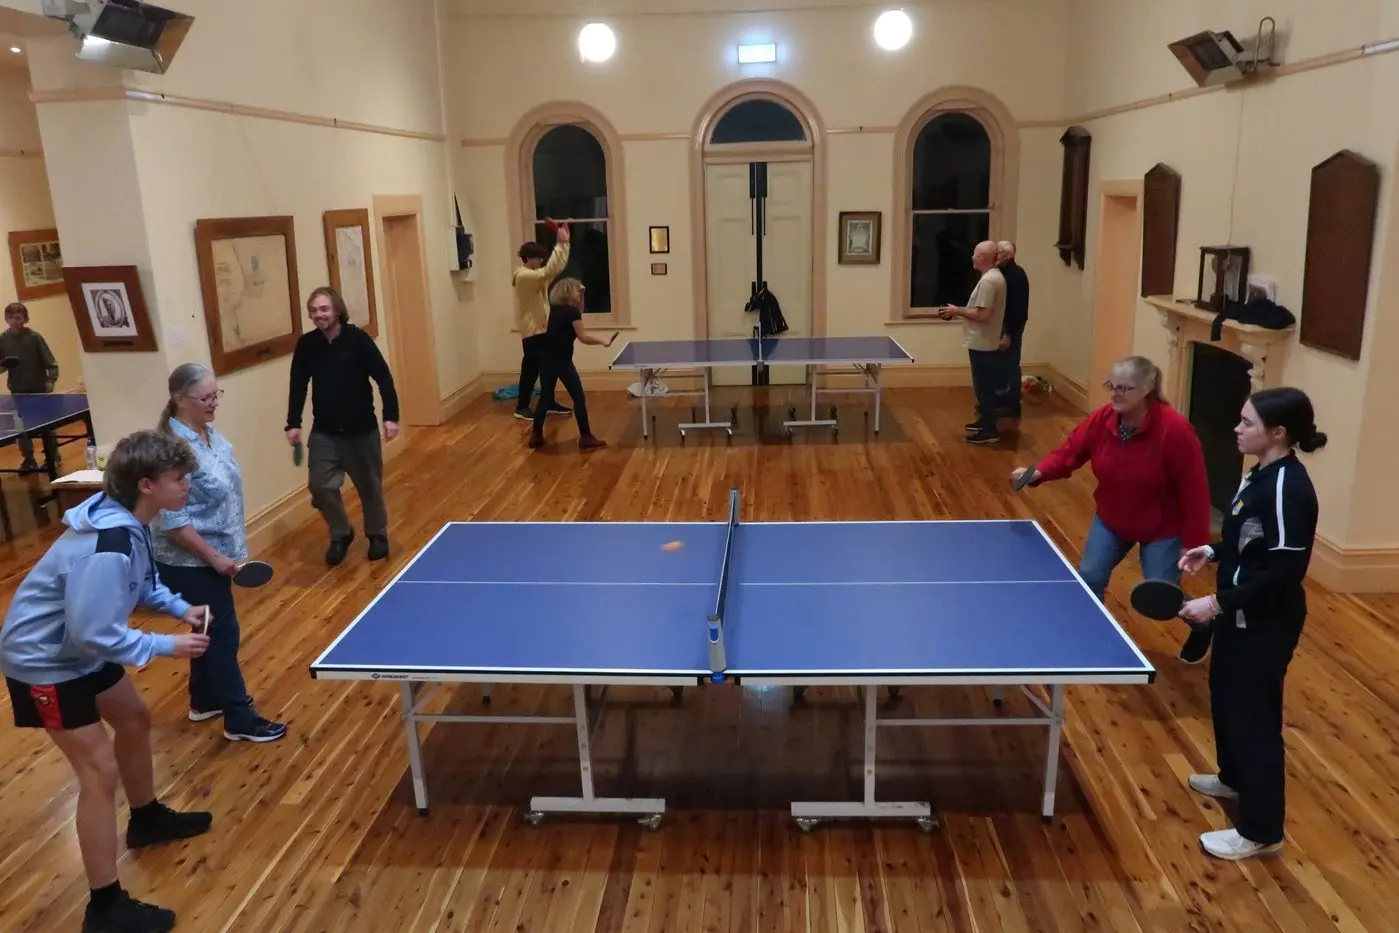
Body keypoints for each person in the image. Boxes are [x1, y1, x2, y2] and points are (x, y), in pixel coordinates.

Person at [0, 429, 215, 933]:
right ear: (146, 484)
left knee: (134, 718)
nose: (188, 485)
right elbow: (95, 633)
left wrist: (181, 609)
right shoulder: (108, 545)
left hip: (76, 649)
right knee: (97, 772)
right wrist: (166, 646)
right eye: (179, 478)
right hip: (45, 663)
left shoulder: (132, 523)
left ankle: (147, 819)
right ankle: (104, 906)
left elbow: (142, 583)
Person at [1176, 387, 1324, 861]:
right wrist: (1215, 551)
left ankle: (1261, 831)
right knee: (1225, 696)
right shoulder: (1259, 475)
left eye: (1246, 423)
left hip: (1265, 622)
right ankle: (1233, 778)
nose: (1236, 430)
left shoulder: (1288, 490)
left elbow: (1283, 574)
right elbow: (1251, 540)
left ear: (1278, 433)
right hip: (1239, 615)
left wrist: (1216, 604)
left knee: (1255, 720)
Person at [152, 363, 287, 743]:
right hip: (188, 560)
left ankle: (204, 699)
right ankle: (240, 719)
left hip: (215, 554)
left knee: (205, 628)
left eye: (216, 395)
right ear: (180, 400)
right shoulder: (169, 452)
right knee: (222, 634)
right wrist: (213, 557)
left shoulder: (208, 435)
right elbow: (174, 523)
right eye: (205, 397)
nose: (214, 403)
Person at [1011, 356, 1211, 608]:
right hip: (1112, 520)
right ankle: (1089, 636)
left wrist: (1193, 544)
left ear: (1148, 387)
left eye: (1124, 388)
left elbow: (1195, 492)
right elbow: (1070, 452)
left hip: (1161, 528)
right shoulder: (1102, 418)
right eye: (1112, 386)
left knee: (1163, 597)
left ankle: (1204, 618)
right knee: (1088, 579)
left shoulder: (1175, 430)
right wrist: (1038, 471)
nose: (1115, 394)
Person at [285, 286, 400, 566]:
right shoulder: (308, 344)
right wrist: (293, 422)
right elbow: (298, 384)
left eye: (323, 309)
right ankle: (341, 532)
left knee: (369, 487)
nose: (318, 315)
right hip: (324, 432)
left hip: (361, 431)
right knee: (320, 486)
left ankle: (376, 534)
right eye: (313, 310)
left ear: (337, 310)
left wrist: (391, 416)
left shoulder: (358, 340)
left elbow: (383, 378)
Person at [528, 277, 615, 451]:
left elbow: (579, 311)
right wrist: (603, 341)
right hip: (562, 361)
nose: (580, 293)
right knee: (579, 397)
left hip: (545, 359)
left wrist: (582, 295)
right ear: (568, 292)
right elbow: (583, 337)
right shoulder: (571, 312)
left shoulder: (555, 310)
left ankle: (536, 435)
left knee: (545, 397)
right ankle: (586, 437)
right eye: (578, 291)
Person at [937, 240, 1007, 443]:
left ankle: (990, 430)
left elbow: (983, 315)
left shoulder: (988, 281)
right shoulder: (993, 277)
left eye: (975, 254)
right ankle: (985, 421)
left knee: (984, 387)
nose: (972, 257)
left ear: (983, 258)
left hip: (983, 343)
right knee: (984, 386)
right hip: (983, 341)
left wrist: (956, 310)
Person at [512, 222, 572, 421]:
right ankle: (521, 406)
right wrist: (559, 243)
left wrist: (565, 245)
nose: (540, 260)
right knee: (531, 368)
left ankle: (548, 402)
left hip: (543, 328)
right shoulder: (523, 275)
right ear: (528, 258)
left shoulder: (536, 275)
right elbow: (547, 272)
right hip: (532, 331)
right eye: (538, 257)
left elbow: (556, 267)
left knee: (549, 367)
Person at [0, 300, 61, 473]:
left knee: (47, 425)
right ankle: (28, 458)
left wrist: (51, 379)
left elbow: (50, 362)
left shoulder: (35, 338)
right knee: (21, 427)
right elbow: (2, 365)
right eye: (10, 318)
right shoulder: (3, 339)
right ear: (6, 319)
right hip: (17, 390)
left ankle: (53, 456)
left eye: (18, 318)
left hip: (38, 388)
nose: (14, 321)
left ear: (25, 319)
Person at [993, 241, 1029, 417]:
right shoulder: (1002, 273)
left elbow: (1017, 307)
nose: (996, 255)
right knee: (1000, 365)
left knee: (1009, 363)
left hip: (1011, 327)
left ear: (1009, 255)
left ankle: (1010, 404)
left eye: (999, 252)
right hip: (1003, 325)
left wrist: (1008, 333)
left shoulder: (1016, 275)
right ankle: (999, 401)